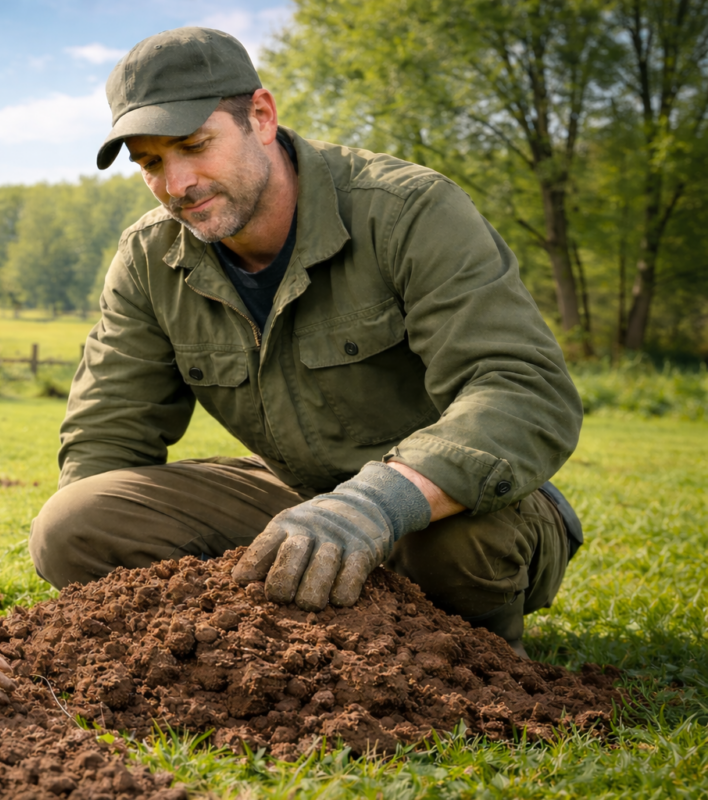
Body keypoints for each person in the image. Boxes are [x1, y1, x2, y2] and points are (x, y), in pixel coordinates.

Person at [29, 27, 584, 657]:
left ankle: (466, 658)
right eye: (151, 163)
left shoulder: (408, 210)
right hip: (293, 496)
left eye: (194, 145)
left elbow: (522, 387)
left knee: (450, 548)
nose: (177, 182)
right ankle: (261, 643)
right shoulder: (149, 257)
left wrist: (379, 501)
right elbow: (107, 438)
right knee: (71, 523)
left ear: (260, 117)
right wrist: (98, 598)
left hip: (449, 501)